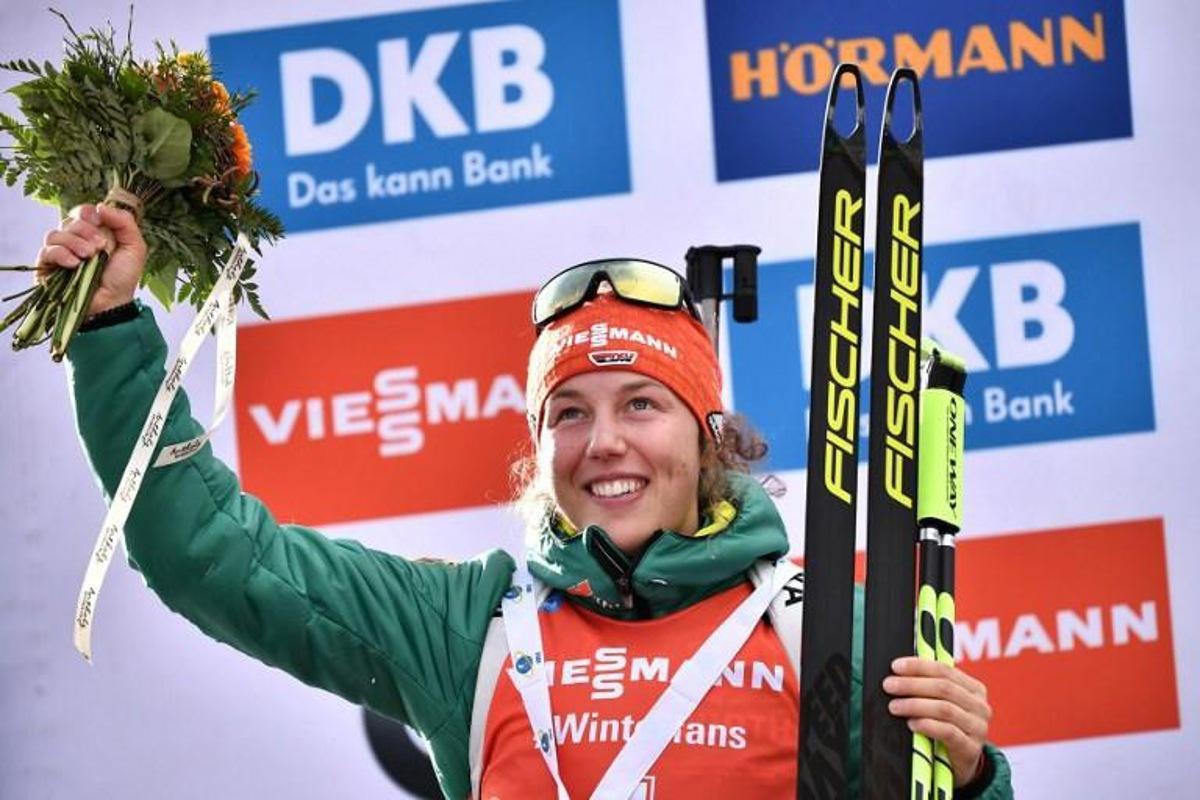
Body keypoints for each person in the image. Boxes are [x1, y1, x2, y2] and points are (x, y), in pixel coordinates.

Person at [38, 202, 1013, 799]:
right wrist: (115, 326)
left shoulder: (817, 625)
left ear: (710, 433)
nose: (606, 442)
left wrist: (968, 775)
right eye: (570, 412)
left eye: (643, 402)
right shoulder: (470, 622)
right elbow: (211, 553)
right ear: (540, 447)